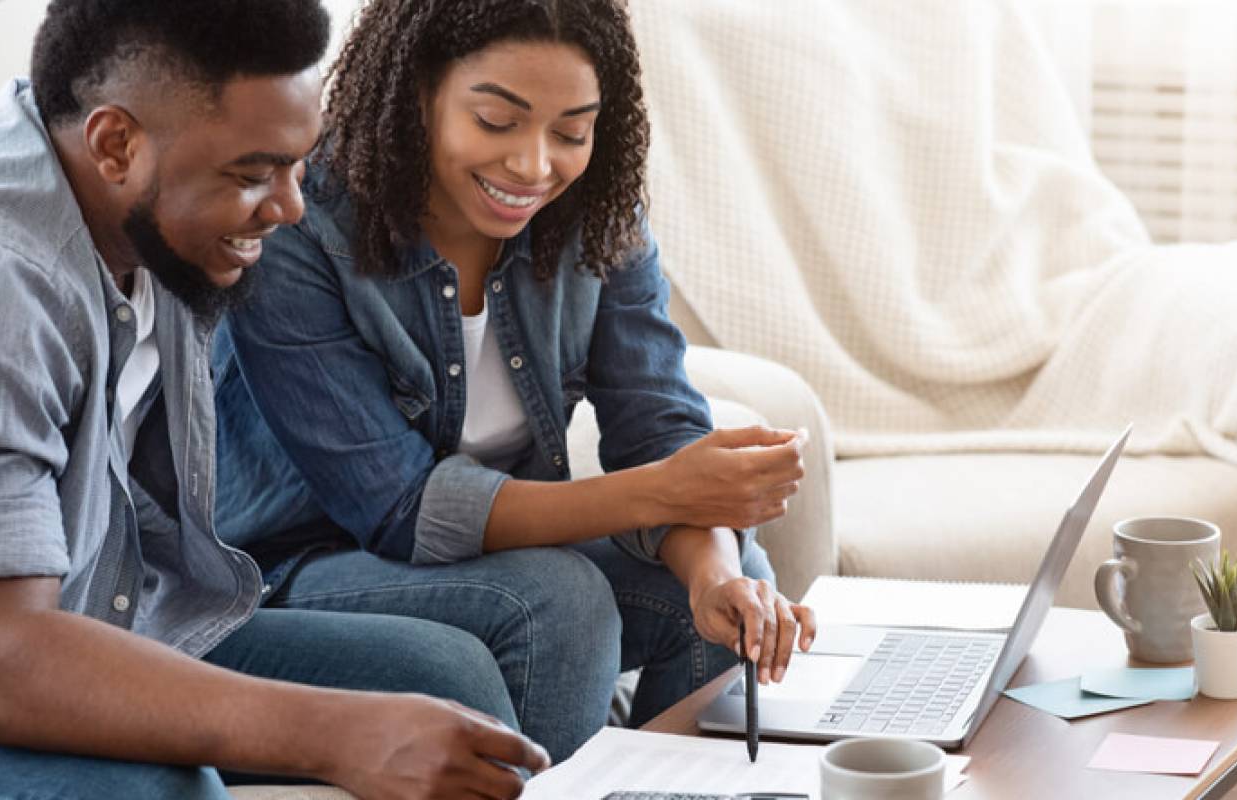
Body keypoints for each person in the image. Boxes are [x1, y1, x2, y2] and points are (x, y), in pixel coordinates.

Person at [0, 1, 549, 797]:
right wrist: (337, 735)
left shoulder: (143, 210)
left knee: (451, 680)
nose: (289, 207)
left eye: (296, 164)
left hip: (69, 609)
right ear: (114, 145)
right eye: (256, 172)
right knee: (155, 792)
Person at [214, 0, 818, 762]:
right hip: (291, 569)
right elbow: (399, 507)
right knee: (558, 602)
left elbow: (657, 422)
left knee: (729, 584)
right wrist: (672, 490)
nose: (535, 166)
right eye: (497, 122)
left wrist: (713, 574)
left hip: (483, 563)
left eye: (570, 132)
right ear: (418, 92)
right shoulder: (304, 221)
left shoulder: (595, 212)